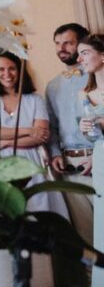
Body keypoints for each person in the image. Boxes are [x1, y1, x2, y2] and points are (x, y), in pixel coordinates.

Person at [0, 52, 68, 217]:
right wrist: (28, 130)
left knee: (41, 209)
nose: (7, 74)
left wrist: (5, 142)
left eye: (12, 68)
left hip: (32, 161)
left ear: (20, 71)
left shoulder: (35, 99)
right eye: (1, 69)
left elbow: (41, 136)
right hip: (2, 164)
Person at [46, 22, 95, 244]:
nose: (61, 48)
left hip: (98, 161)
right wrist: (55, 153)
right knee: (85, 235)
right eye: (57, 43)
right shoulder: (53, 86)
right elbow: (53, 126)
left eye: (68, 42)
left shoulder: (97, 76)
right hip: (69, 168)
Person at [76, 34, 104, 287]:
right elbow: (91, 138)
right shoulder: (85, 94)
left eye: (84, 52)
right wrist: (86, 128)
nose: (79, 58)